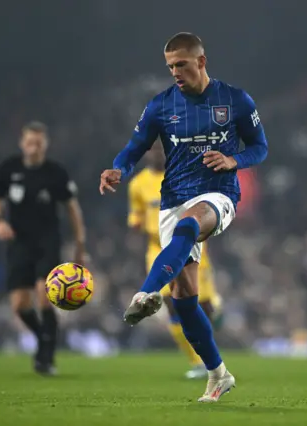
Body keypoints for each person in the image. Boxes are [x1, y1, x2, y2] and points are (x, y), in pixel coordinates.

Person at [100, 32, 268, 402]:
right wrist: (117, 169)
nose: (175, 71)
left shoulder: (235, 100)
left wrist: (233, 161)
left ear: (201, 62)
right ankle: (218, 374)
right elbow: (134, 147)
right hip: (172, 198)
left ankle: (145, 291)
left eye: (181, 64)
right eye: (170, 66)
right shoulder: (161, 105)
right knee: (185, 299)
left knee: (189, 226)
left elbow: (260, 147)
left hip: (218, 194)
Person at [0, 121, 86, 375]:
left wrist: (80, 242)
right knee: (19, 305)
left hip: (47, 239)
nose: (33, 148)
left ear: (45, 144)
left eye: (38, 143)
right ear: (22, 143)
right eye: (30, 142)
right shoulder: (8, 169)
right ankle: (44, 337)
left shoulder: (55, 173)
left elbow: (72, 208)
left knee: (45, 295)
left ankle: (46, 355)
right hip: (19, 241)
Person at [127, 141, 223, 380]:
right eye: (153, 150)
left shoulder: (186, 174)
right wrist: (138, 223)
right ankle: (198, 361)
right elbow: (135, 216)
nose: (158, 154)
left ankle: (212, 321)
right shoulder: (138, 184)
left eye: (162, 149)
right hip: (157, 250)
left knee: (205, 308)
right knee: (173, 305)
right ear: (147, 152)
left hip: (191, 248)